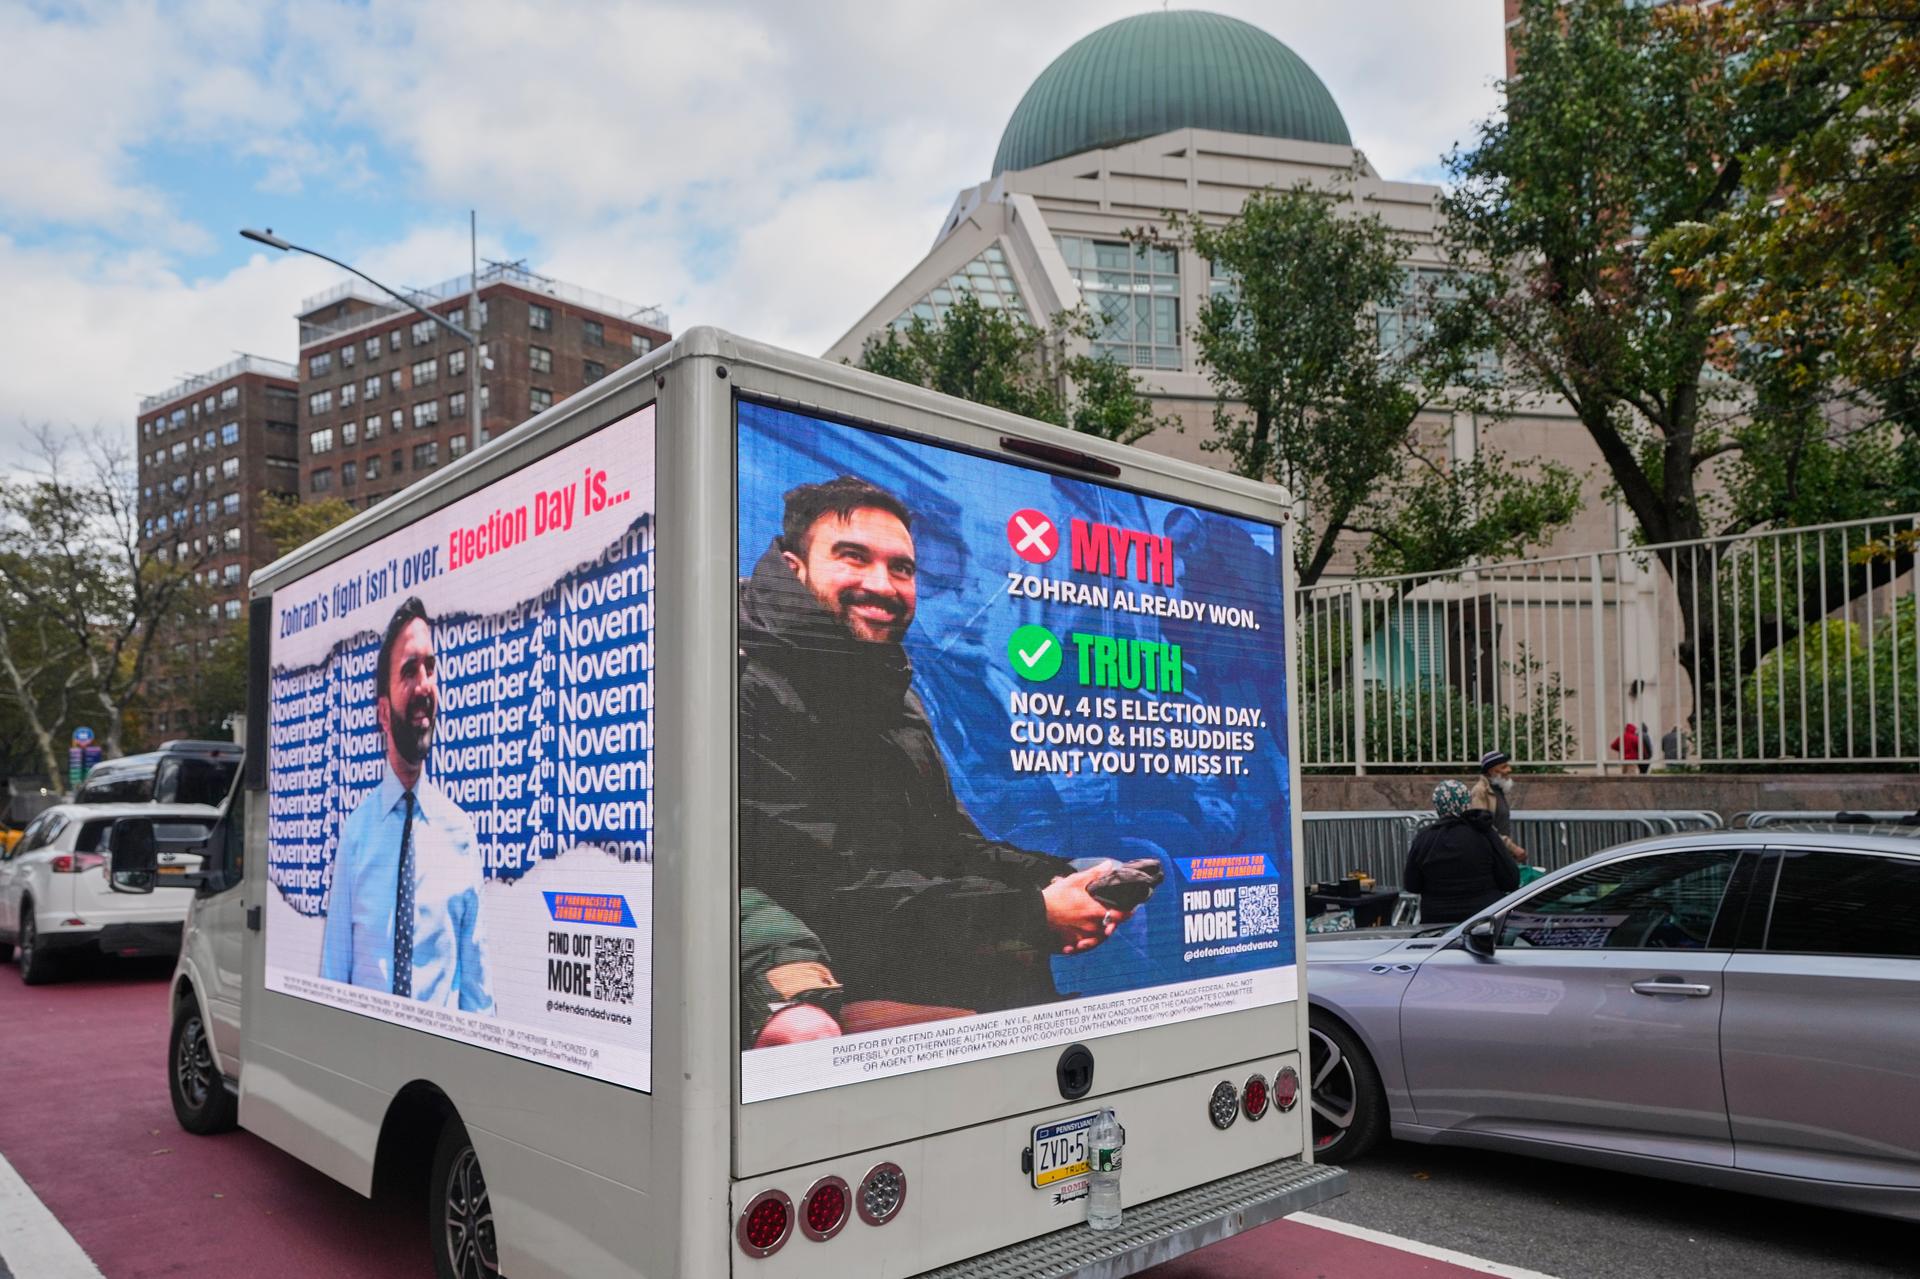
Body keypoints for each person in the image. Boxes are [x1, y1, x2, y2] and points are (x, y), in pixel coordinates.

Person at [738, 476, 1132, 1040]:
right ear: (793, 565)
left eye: (902, 569)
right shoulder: (748, 680)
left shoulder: (890, 685)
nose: (883, 585)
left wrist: (1061, 877)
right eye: (853, 558)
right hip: (833, 979)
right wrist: (1030, 911)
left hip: (914, 951)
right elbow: (824, 888)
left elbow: (946, 841)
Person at [321, 597, 492, 1013]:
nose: (424, 685)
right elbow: (333, 976)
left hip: (441, 1069)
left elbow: (476, 991)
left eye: (430, 669)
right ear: (383, 713)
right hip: (367, 1059)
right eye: (409, 671)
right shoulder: (357, 835)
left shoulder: (460, 834)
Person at [1404, 780, 1521, 924]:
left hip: (1436, 921)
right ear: (1467, 801)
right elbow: (1510, 879)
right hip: (1482, 919)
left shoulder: (1424, 837)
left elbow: (1411, 884)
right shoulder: (1484, 832)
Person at [1469, 749, 1528, 865]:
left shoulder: (1497, 789)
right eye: (1504, 767)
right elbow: (1484, 826)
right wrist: (1512, 847)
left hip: (1500, 852)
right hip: (1490, 854)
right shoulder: (1481, 791)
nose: (1509, 770)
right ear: (1492, 771)